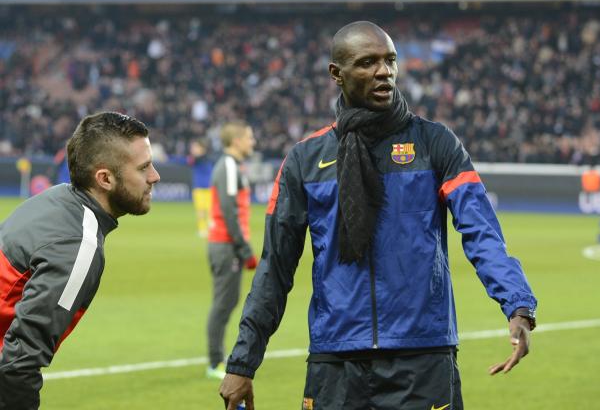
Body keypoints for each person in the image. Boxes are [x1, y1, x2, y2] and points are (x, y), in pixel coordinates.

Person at [219, 21, 538, 410]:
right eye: (367, 62)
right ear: (336, 73)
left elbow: (482, 233)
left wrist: (517, 305)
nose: (384, 71)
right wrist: (243, 362)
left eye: (390, 60)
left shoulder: (435, 143)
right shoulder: (305, 160)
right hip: (336, 361)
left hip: (421, 358)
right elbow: (275, 268)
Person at [0, 112, 161, 410]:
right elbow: (19, 362)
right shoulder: (79, 245)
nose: (155, 176)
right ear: (105, 179)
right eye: (144, 167)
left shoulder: (55, 199)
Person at [206, 121, 258, 380]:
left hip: (228, 244)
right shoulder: (227, 165)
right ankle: (215, 362)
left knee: (228, 301)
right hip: (225, 244)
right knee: (223, 303)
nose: (252, 142)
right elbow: (228, 210)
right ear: (236, 140)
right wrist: (244, 249)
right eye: (249, 137)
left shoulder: (234, 166)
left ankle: (217, 358)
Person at [188, 139, 214, 237]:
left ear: (202, 148)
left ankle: (210, 230)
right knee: (200, 210)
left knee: (210, 210)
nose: (193, 149)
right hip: (199, 189)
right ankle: (202, 229)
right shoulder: (196, 159)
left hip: (209, 188)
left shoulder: (204, 158)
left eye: (195, 147)